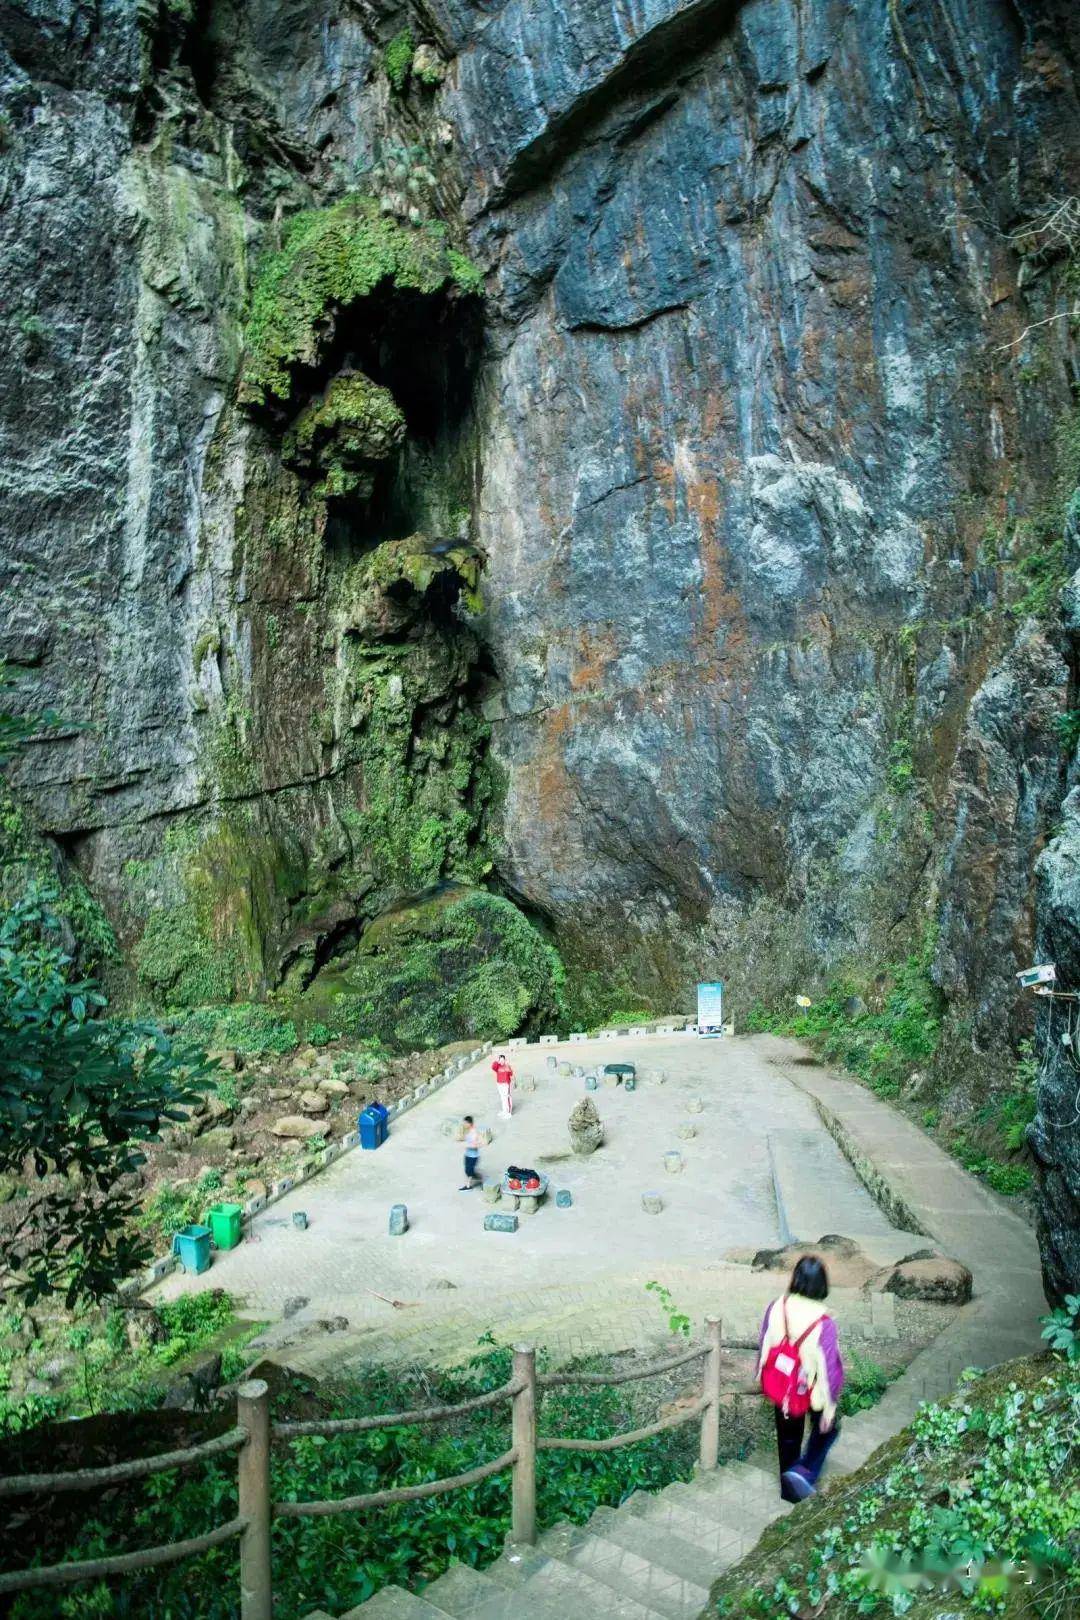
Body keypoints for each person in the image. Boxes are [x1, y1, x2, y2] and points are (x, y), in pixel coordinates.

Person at [757, 1254, 844, 1501]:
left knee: (788, 1439)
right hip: (811, 1389)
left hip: (783, 1384)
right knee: (827, 1430)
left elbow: (764, 1341)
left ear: (795, 1278)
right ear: (822, 1285)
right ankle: (804, 1472)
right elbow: (830, 1370)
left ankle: (789, 1492)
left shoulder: (777, 1307)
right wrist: (829, 1409)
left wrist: (760, 1374)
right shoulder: (823, 1323)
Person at [460, 1116, 482, 1190]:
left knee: (468, 1171)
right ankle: (476, 1177)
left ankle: (468, 1186)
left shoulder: (475, 1132)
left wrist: (467, 1145)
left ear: (470, 1123)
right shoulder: (468, 1130)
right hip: (467, 1154)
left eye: (466, 1123)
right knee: (467, 1169)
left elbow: (478, 1145)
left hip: (473, 1156)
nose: (464, 1125)